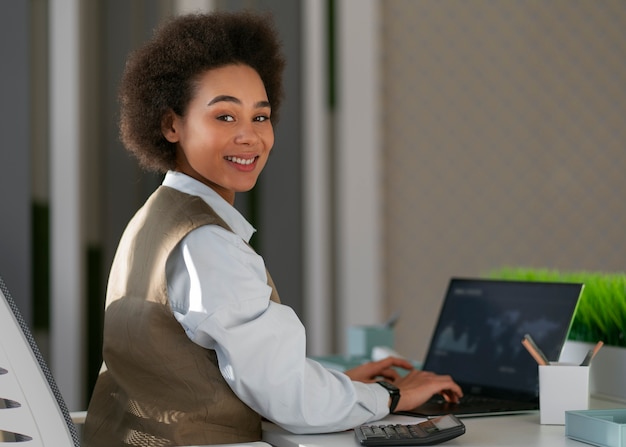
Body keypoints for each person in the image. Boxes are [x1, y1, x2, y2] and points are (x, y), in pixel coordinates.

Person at [82, 10, 462, 447]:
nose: (250, 137)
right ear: (172, 124)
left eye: (260, 117)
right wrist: (393, 395)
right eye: (225, 117)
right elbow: (285, 398)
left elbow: (232, 370)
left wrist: (341, 384)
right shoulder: (207, 243)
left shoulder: (154, 219)